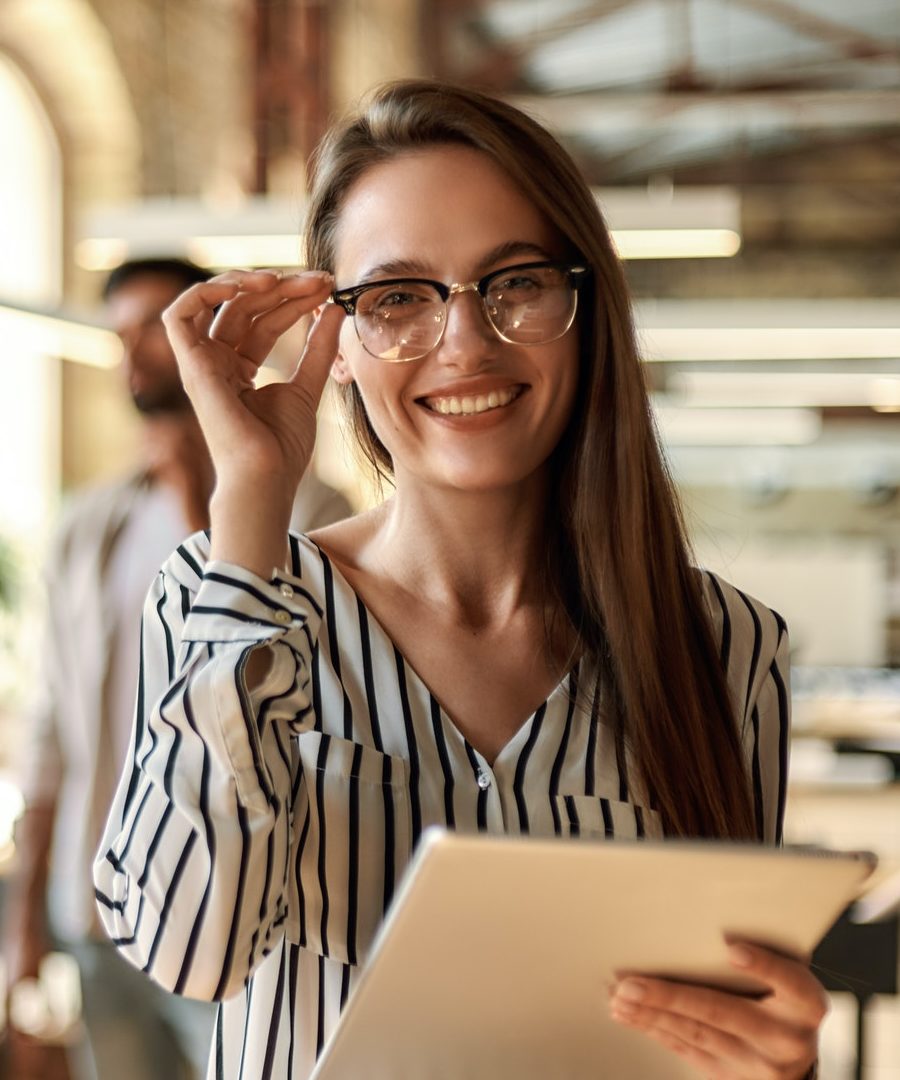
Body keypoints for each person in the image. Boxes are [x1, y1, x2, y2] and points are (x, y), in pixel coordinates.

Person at [93, 83, 825, 1080]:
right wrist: (252, 501)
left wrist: (775, 1058)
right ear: (336, 340)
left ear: (585, 308)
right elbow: (189, 953)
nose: (466, 342)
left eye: (516, 281)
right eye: (397, 297)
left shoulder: (727, 646)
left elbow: (717, 1021)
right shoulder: (225, 598)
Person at [5, 257, 352, 1080]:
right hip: (96, 902)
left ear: (213, 329)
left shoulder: (313, 511)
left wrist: (209, 495)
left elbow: (295, 684)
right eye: (123, 336)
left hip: (237, 892)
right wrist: (27, 914)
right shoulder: (93, 525)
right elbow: (53, 726)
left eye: (160, 327)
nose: (140, 352)